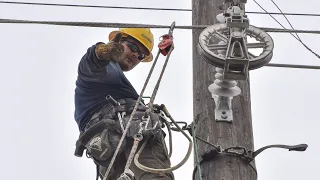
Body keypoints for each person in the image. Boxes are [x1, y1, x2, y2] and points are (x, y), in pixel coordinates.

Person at [73, 28, 174, 180]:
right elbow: (90, 65)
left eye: (141, 55)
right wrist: (100, 52)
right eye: (133, 47)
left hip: (108, 145)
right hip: (124, 134)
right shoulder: (105, 69)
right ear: (118, 41)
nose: (135, 55)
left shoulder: (116, 80)